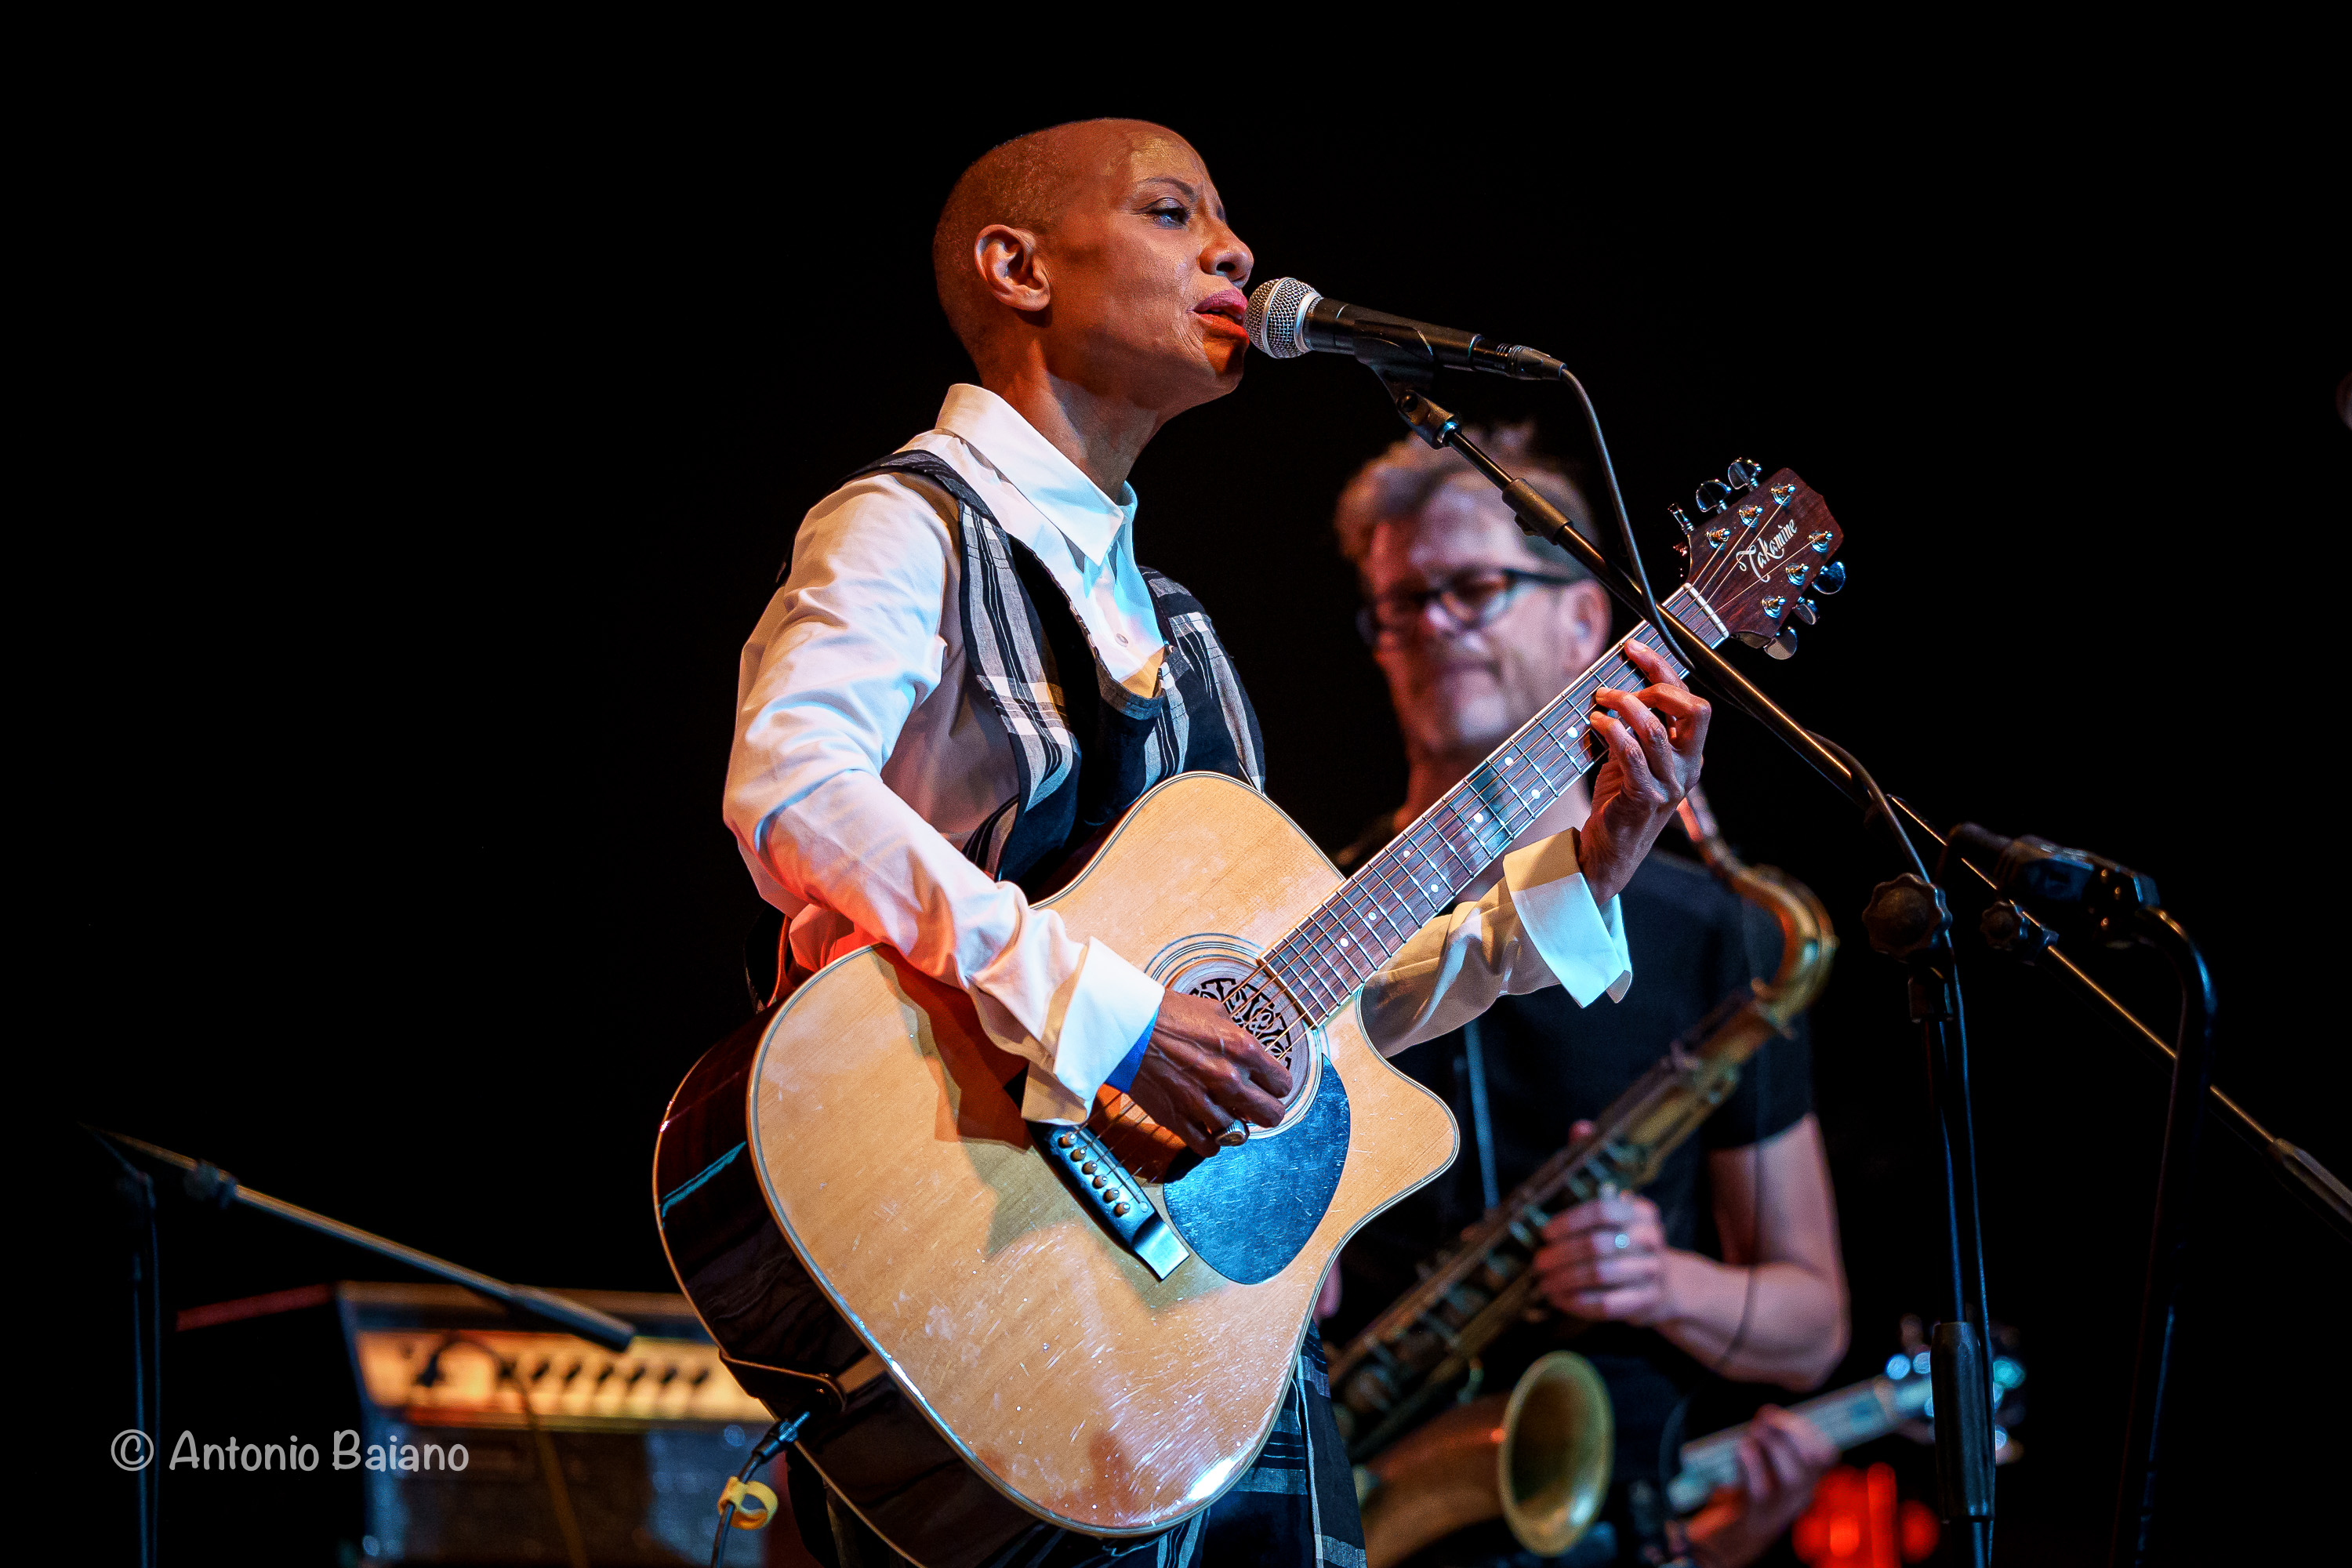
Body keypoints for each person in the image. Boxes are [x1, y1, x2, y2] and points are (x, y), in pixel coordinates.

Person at [720, 122, 1710, 1568]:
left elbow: (1295, 1009)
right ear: (1018, 267)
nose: (1237, 252)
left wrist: (1582, 873)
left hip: (1192, 1343)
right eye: (1175, 213)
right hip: (989, 1292)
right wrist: (1116, 1024)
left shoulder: (1180, 624)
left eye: (1229, 222)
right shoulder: (902, 526)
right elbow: (795, 792)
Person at [1319, 428, 1848, 1568]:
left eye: (1473, 587)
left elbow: (1813, 1324)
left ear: (1585, 625)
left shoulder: (1718, 929)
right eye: (1398, 603)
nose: (1429, 627)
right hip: (1355, 1500)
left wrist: (1667, 1282)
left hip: (1611, 1515)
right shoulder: (1322, 908)